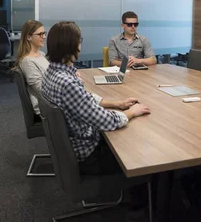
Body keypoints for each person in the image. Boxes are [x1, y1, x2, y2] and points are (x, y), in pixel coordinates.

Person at [41, 21, 151, 175]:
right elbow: (106, 121)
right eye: (80, 41)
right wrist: (132, 112)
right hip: (89, 155)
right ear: (73, 45)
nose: (80, 45)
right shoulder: (68, 84)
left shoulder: (51, 73)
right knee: (141, 144)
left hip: (71, 147)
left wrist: (116, 103)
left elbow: (84, 98)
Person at [15, 20, 48, 115]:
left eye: (44, 33)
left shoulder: (41, 54)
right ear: (29, 37)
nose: (44, 37)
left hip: (50, 100)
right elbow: (41, 90)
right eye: (40, 34)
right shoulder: (27, 61)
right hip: (45, 107)